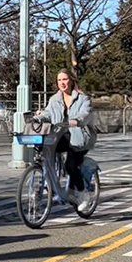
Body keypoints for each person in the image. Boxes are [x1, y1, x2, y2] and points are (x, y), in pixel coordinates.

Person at [39, 70, 96, 209]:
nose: (62, 83)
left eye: (64, 79)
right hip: (62, 136)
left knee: (70, 165)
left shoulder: (83, 98)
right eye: (59, 80)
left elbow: (86, 113)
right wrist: (38, 116)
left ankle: (84, 194)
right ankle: (51, 184)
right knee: (44, 148)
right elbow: (48, 113)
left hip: (80, 137)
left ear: (71, 80)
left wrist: (77, 121)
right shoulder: (54, 99)